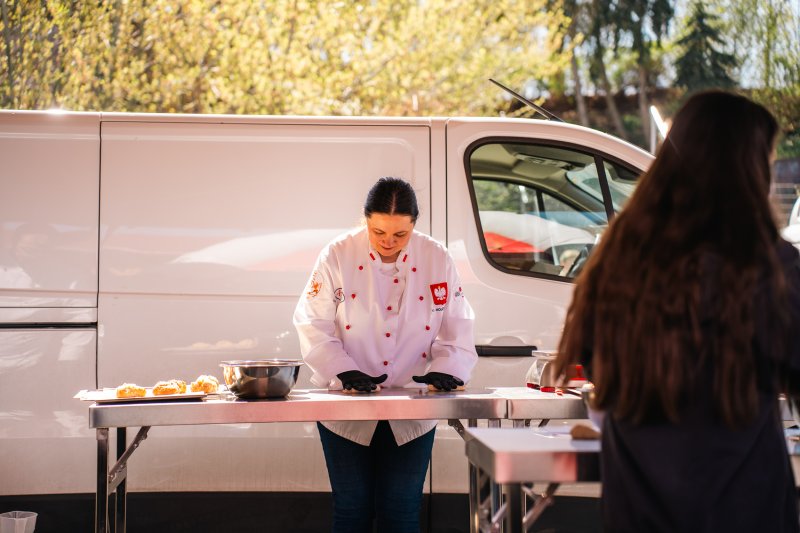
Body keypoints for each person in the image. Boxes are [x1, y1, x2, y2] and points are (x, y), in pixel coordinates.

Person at [554, 90, 800, 532]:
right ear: (747, 167)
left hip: (638, 505)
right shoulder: (770, 264)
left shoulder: (618, 257)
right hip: (745, 506)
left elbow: (589, 362)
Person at [293, 176, 478, 533]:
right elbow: (312, 322)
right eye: (378, 231)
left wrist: (448, 368)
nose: (388, 241)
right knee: (352, 510)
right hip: (344, 407)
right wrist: (342, 369)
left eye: (400, 234)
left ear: (414, 225)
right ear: (365, 219)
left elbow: (457, 324)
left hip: (413, 408)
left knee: (402, 511)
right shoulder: (338, 254)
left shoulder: (436, 257)